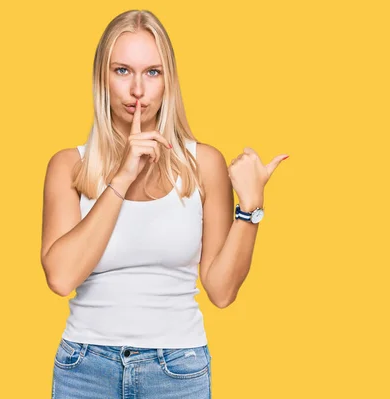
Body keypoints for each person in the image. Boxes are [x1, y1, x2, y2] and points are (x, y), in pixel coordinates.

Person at [40, 9, 288, 399]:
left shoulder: (203, 164)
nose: (138, 89)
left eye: (152, 72)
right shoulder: (69, 166)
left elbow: (222, 292)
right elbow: (60, 278)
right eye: (122, 70)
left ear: (168, 80)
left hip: (177, 370)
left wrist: (250, 207)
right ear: (101, 78)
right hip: (85, 368)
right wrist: (121, 177)